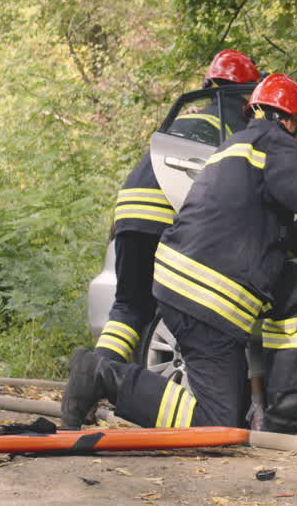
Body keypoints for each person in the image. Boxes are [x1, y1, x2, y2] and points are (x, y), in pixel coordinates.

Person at [63, 73, 297, 438]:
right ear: (287, 120)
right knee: (216, 424)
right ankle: (104, 376)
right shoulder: (273, 140)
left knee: (293, 286)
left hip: (186, 286)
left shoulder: (236, 148)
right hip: (206, 300)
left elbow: (263, 239)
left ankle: (285, 412)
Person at [93, 49, 261, 365]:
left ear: (209, 85)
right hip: (166, 220)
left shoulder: (185, 120)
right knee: (180, 304)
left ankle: (93, 377)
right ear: (247, 95)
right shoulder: (235, 129)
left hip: (130, 214)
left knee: (128, 307)